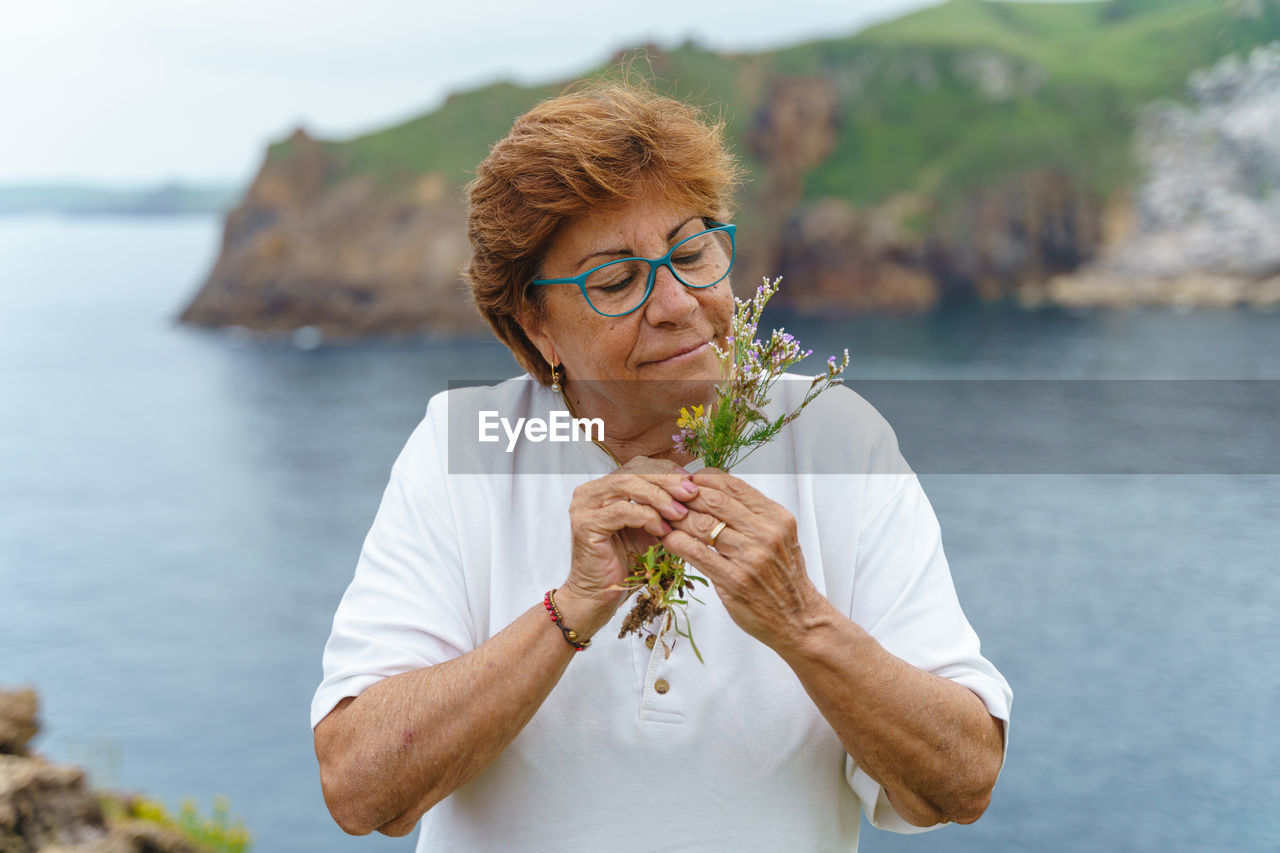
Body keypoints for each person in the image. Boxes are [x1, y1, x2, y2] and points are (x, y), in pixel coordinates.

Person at [311, 79, 1011, 852]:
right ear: (534, 326)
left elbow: (963, 778)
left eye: (692, 251)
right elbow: (358, 785)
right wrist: (573, 605)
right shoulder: (468, 440)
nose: (676, 301)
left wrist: (801, 620)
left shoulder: (839, 439)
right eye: (615, 280)